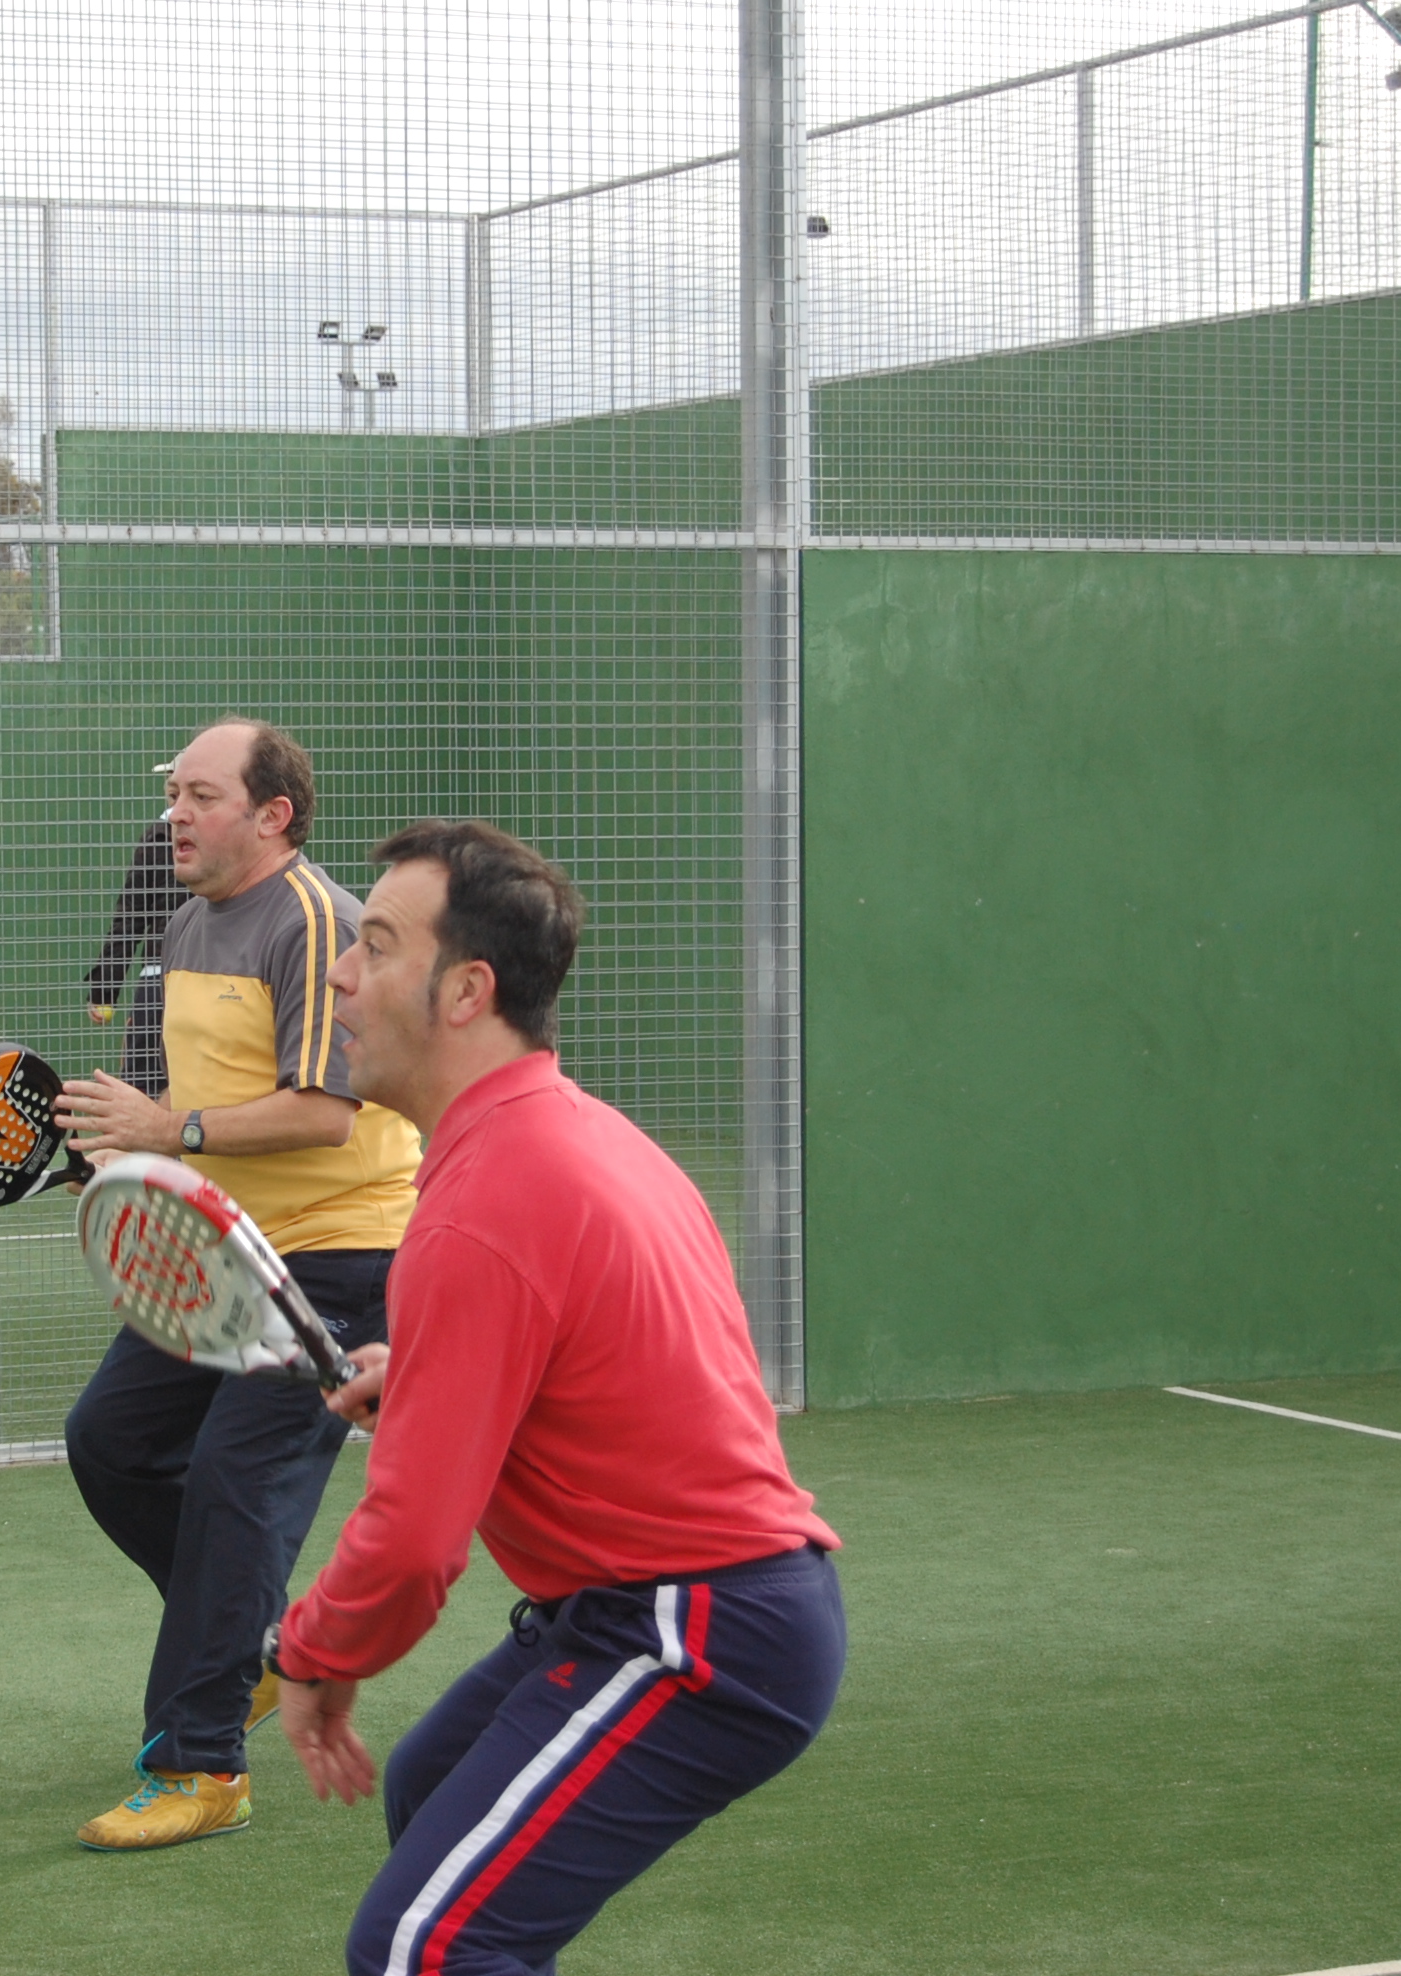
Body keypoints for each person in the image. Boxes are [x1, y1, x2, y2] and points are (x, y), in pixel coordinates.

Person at [271, 819, 844, 1976]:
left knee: (425, 1946)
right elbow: (614, 1368)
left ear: (465, 990)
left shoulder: (487, 1200)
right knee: (431, 1785)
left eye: (373, 944)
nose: (337, 973)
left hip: (695, 1631)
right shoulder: (571, 1133)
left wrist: (309, 1650)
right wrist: (422, 1378)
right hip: (676, 1604)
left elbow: (412, 1545)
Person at [51, 717, 422, 1851]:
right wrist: (127, 1148)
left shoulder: (319, 922)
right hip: (225, 1244)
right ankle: (254, 1646)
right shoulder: (185, 920)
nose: (175, 812)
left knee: (232, 1484)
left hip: (342, 1254)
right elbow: (200, 1105)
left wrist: (170, 1128)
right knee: (109, 1441)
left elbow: (323, 1111)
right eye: (174, 792)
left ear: (273, 815)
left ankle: (202, 1761)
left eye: (200, 795)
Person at [83, 793, 182, 1101]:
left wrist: (103, 991)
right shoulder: (161, 839)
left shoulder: (158, 838)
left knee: (144, 1093)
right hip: (176, 978)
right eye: (175, 791)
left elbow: (130, 916)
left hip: (168, 981)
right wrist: (104, 988)